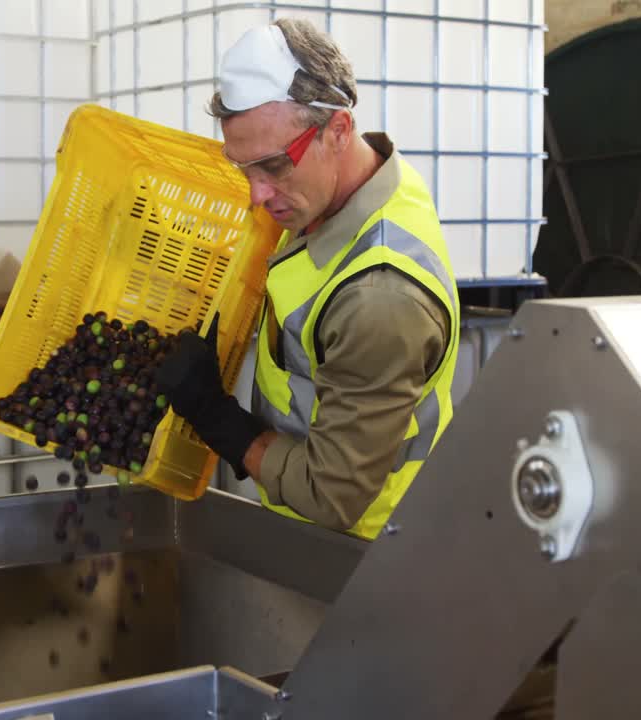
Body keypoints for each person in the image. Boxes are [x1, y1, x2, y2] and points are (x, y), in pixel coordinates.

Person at [156, 18, 459, 540]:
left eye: (273, 166)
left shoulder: (381, 298)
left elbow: (329, 494)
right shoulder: (342, 190)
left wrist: (215, 416)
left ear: (338, 130)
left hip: (368, 555)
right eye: (242, 168)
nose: (256, 195)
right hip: (308, 533)